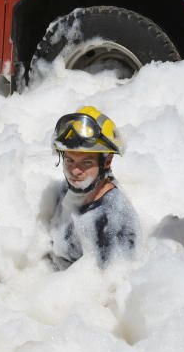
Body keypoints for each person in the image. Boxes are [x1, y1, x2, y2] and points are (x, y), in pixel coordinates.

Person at [47, 106, 140, 270]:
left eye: (86, 163)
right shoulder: (66, 191)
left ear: (107, 161)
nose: (75, 171)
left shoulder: (114, 222)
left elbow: (109, 288)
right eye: (69, 161)